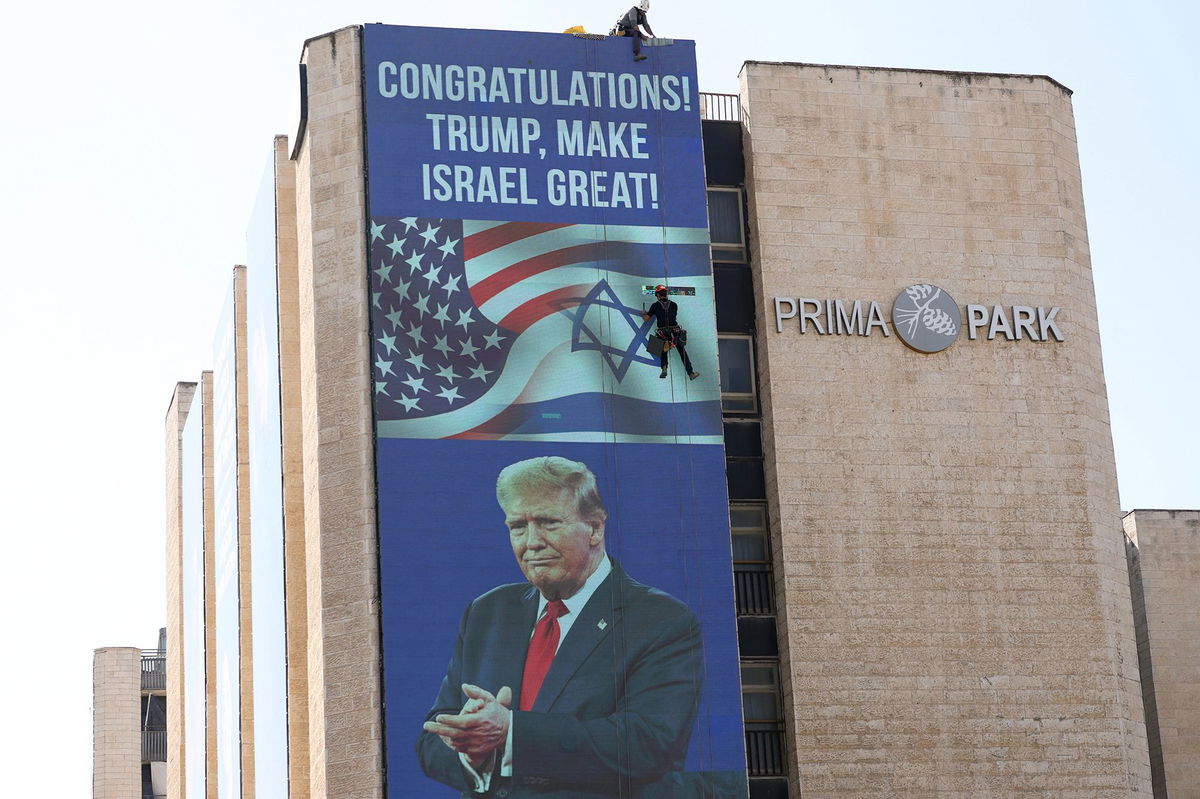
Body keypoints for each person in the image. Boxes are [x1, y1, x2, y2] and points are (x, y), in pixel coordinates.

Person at [416, 456, 703, 798]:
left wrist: (511, 733)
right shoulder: (487, 611)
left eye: (548, 522)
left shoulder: (660, 619)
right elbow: (432, 740)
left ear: (595, 528)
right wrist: (473, 747)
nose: (531, 542)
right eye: (517, 527)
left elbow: (648, 746)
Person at [642, 285, 699, 380]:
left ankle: (664, 368)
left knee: (662, 349)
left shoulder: (655, 306)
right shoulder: (674, 305)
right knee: (682, 352)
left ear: (658, 295)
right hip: (675, 332)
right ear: (666, 294)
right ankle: (691, 373)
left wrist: (644, 313)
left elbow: (646, 319)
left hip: (662, 332)